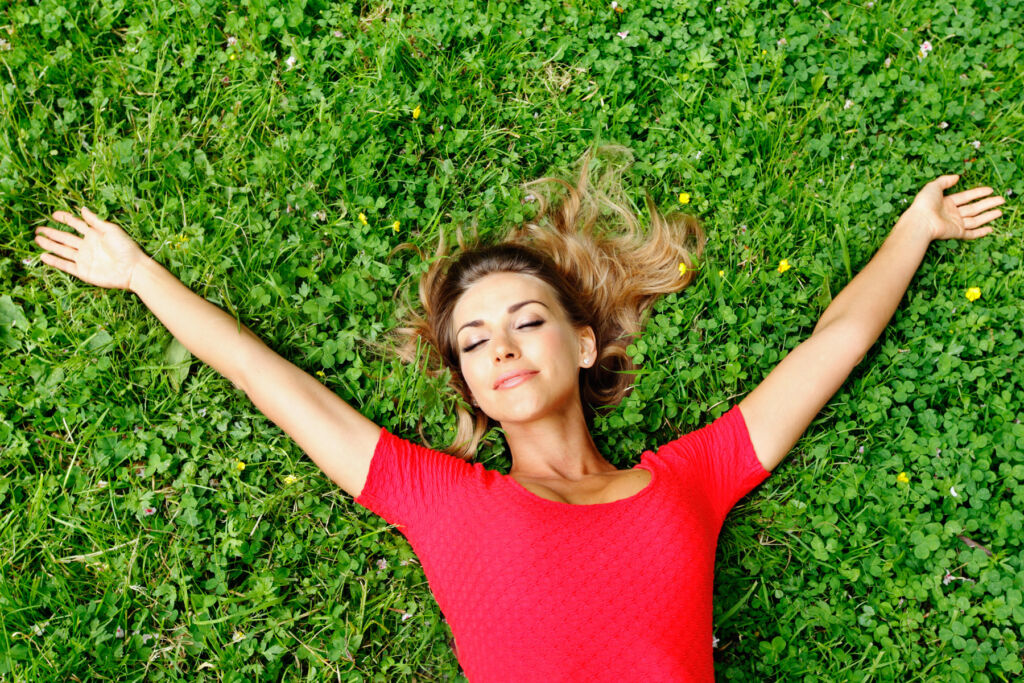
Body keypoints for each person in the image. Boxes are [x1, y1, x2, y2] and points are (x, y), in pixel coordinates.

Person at [32, 146, 1005, 681]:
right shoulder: (436, 496)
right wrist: (139, 274)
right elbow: (264, 377)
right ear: (466, 381)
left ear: (582, 344)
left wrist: (914, 229)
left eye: (526, 319)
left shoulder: (693, 477)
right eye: (474, 337)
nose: (499, 343)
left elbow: (830, 345)